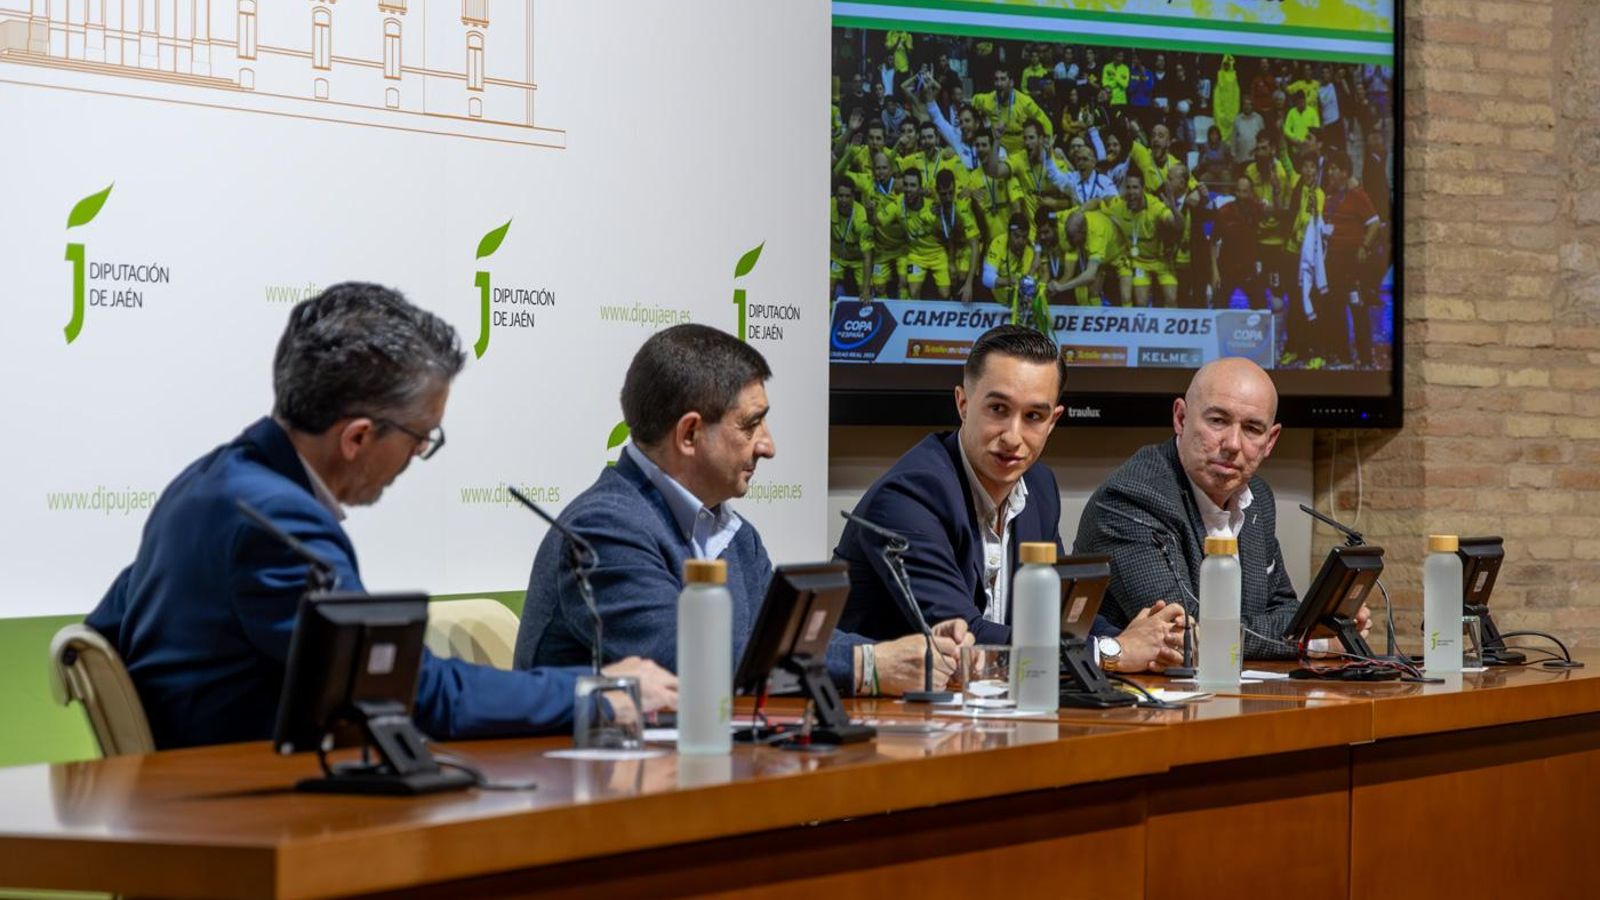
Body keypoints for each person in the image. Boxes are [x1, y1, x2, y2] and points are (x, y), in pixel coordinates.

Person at [85, 283, 676, 750]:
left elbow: (106, 627)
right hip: (252, 822)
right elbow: (407, 696)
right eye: (422, 438)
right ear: (359, 438)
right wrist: (598, 692)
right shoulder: (278, 524)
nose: (418, 456)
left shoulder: (205, 484)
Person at [516, 325, 968, 697]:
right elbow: (689, 663)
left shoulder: (734, 533)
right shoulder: (603, 529)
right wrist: (867, 667)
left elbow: (789, 639)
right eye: (751, 425)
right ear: (690, 434)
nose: (768, 446)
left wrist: (912, 654)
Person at [836, 325, 1186, 672]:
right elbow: (968, 640)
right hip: (891, 714)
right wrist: (1114, 651)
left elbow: (1057, 613)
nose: (1013, 437)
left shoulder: (1040, 487)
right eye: (998, 410)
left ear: (1053, 422)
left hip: (994, 704)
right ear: (963, 403)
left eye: (1034, 416)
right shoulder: (911, 496)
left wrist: (1146, 641)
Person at [1073, 357, 1370, 660]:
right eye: (1218, 421)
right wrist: (1313, 638)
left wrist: (1319, 624)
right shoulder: (1130, 499)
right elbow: (1186, 633)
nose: (1232, 444)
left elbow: (1283, 607)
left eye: (1252, 428)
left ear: (1270, 440)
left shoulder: (1258, 499)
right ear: (1180, 418)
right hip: (1143, 698)